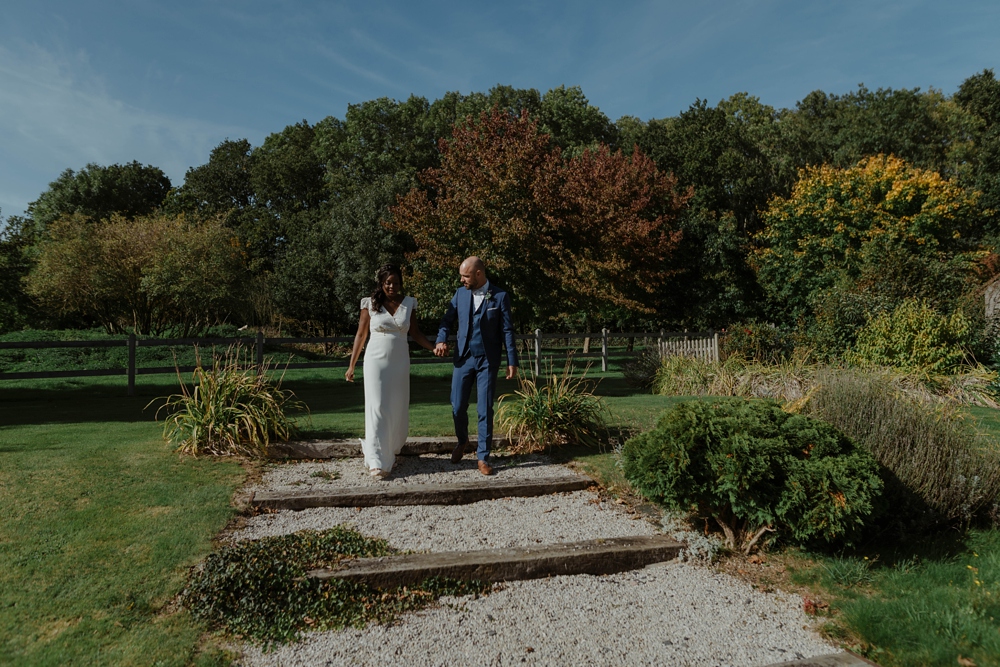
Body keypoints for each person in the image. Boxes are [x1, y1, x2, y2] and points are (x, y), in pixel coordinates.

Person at [346, 264, 436, 479]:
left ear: (401, 283)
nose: (392, 286)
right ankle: (377, 461)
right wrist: (351, 365)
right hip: (375, 359)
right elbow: (360, 335)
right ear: (381, 283)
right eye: (388, 282)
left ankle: (390, 449)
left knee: (396, 406)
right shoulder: (370, 304)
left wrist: (433, 347)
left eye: (395, 282)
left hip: (400, 360)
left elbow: (414, 332)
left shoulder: (409, 303)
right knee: (377, 406)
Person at [434, 256, 518, 475]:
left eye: (466, 276)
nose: (462, 279)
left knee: (485, 409)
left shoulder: (499, 296)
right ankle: (462, 441)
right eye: (462, 275)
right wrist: (441, 339)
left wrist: (512, 360)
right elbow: (446, 321)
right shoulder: (460, 294)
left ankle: (483, 457)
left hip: (487, 360)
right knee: (457, 405)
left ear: (479, 274)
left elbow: (507, 330)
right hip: (463, 358)